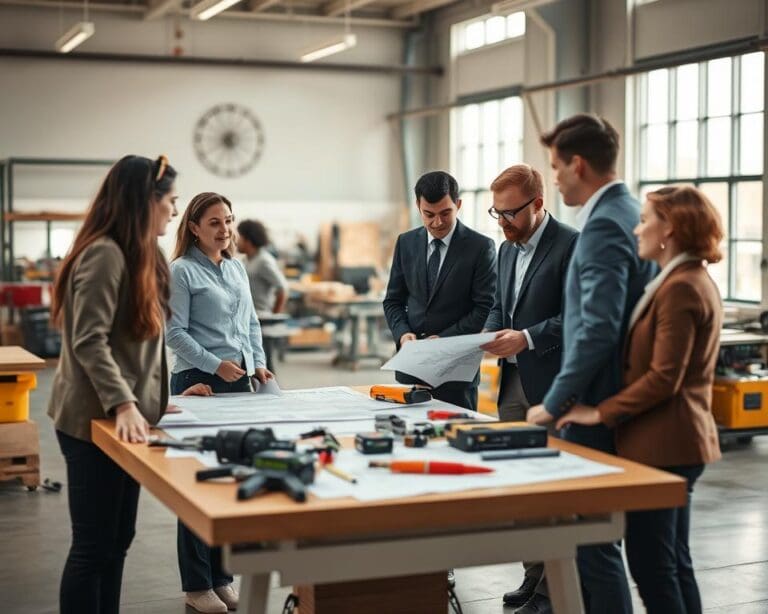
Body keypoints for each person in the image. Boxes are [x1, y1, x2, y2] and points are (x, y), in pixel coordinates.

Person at [47, 155, 209, 614]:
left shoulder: (146, 254)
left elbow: (140, 346)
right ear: (146, 202)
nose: (175, 212)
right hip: (91, 420)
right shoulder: (104, 254)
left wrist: (156, 401)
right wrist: (124, 404)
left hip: (126, 418)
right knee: (93, 546)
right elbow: (88, 341)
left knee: (119, 539)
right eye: (171, 201)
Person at [557, 185, 723, 614]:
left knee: (653, 568)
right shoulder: (681, 279)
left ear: (671, 229)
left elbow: (665, 377)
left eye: (647, 220)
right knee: (672, 562)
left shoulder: (682, 287)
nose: (638, 228)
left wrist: (599, 412)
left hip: (667, 443)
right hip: (676, 441)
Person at [526, 114, 656, 614]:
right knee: (609, 543)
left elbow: (597, 327)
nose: (555, 178)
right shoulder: (630, 210)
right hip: (617, 395)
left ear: (578, 165)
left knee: (590, 542)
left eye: (557, 167)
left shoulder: (602, 224)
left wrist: (554, 401)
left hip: (593, 400)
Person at [166, 192, 274, 614]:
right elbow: (175, 334)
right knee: (197, 483)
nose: (225, 229)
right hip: (199, 383)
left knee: (228, 481)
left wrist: (258, 364)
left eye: (228, 220)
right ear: (194, 227)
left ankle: (221, 578)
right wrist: (216, 365)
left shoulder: (236, 267)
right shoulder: (181, 272)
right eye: (214, 222)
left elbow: (250, 324)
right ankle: (196, 585)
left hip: (240, 383)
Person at [479, 164, 577, 613]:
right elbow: (501, 308)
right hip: (513, 383)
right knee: (522, 486)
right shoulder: (505, 249)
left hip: (552, 385)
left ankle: (552, 590)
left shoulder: (570, 246)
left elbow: (575, 317)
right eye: (496, 214)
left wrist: (529, 337)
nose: (503, 223)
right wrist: (483, 338)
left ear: (538, 204)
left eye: (511, 214)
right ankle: (533, 574)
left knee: (552, 488)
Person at [383, 170, 496, 411]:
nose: (437, 223)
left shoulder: (480, 247)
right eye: (429, 214)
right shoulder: (406, 243)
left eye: (446, 213)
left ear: (458, 204)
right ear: (418, 206)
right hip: (411, 370)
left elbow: (485, 308)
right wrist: (403, 334)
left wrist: (442, 341)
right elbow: (393, 301)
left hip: (456, 374)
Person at [237, 219, 288, 314]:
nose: (236, 241)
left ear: (248, 240)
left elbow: (282, 289)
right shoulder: (245, 260)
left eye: (239, 237)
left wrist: (274, 316)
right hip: (249, 316)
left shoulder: (263, 261)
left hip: (262, 317)